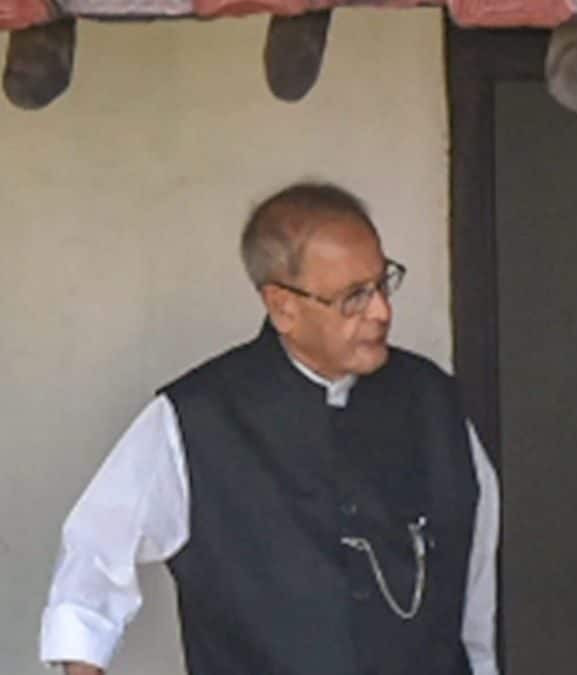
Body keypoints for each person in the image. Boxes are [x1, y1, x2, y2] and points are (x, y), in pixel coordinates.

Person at [39, 183, 499, 675]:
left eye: (382, 283)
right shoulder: (199, 418)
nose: (381, 311)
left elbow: (478, 585)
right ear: (283, 307)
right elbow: (92, 563)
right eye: (354, 297)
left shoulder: (434, 402)